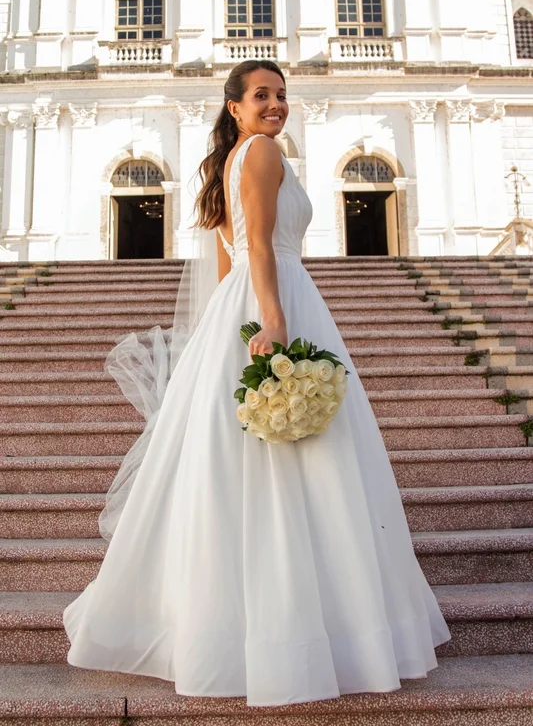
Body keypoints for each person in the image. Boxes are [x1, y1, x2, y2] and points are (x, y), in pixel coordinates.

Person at [63, 58, 451, 707]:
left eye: (281, 95)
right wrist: (273, 325)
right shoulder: (264, 151)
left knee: (232, 466)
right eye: (262, 95)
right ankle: (323, 626)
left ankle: (222, 631)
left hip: (236, 308)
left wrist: (229, 334)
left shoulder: (226, 163)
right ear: (235, 105)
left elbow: (226, 261)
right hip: (278, 303)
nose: (275, 105)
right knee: (309, 458)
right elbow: (263, 247)